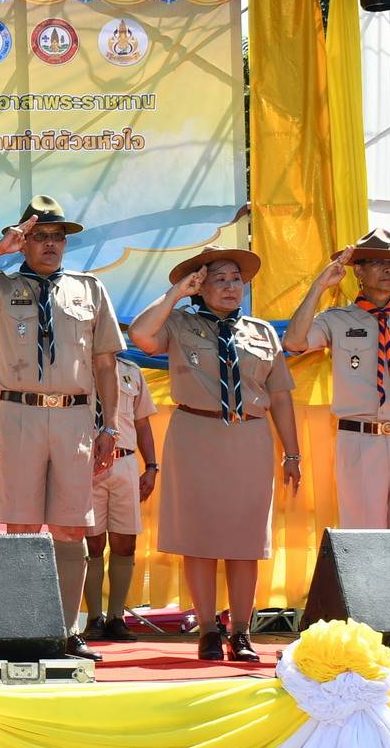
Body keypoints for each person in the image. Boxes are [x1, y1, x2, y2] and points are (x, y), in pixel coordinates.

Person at [0, 196, 120, 661]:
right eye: (40, 237)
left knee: (70, 527)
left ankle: (64, 631)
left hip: (76, 416)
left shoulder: (89, 289)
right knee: (20, 525)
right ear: (23, 243)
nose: (51, 245)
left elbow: (104, 364)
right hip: (20, 412)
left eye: (58, 237)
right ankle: (19, 626)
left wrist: (110, 428)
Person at [129, 246, 300, 663]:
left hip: (249, 435)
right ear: (199, 286)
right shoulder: (180, 323)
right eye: (218, 279)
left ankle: (241, 631)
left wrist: (292, 452)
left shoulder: (262, 332)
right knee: (200, 537)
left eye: (236, 279)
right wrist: (174, 294)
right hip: (195, 434)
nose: (229, 286)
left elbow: (279, 396)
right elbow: (140, 336)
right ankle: (207, 628)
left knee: (246, 539)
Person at [284, 228, 390, 529]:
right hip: (360, 439)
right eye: (377, 262)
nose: (389, 269)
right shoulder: (335, 320)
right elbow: (294, 343)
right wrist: (319, 287)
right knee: (364, 535)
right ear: (358, 271)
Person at [84, 353, 156, 642]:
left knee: (125, 541)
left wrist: (152, 466)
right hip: (85, 464)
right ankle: (93, 619)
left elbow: (142, 424)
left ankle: (117, 617)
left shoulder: (131, 372)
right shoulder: (71, 367)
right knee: (91, 541)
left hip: (125, 461)